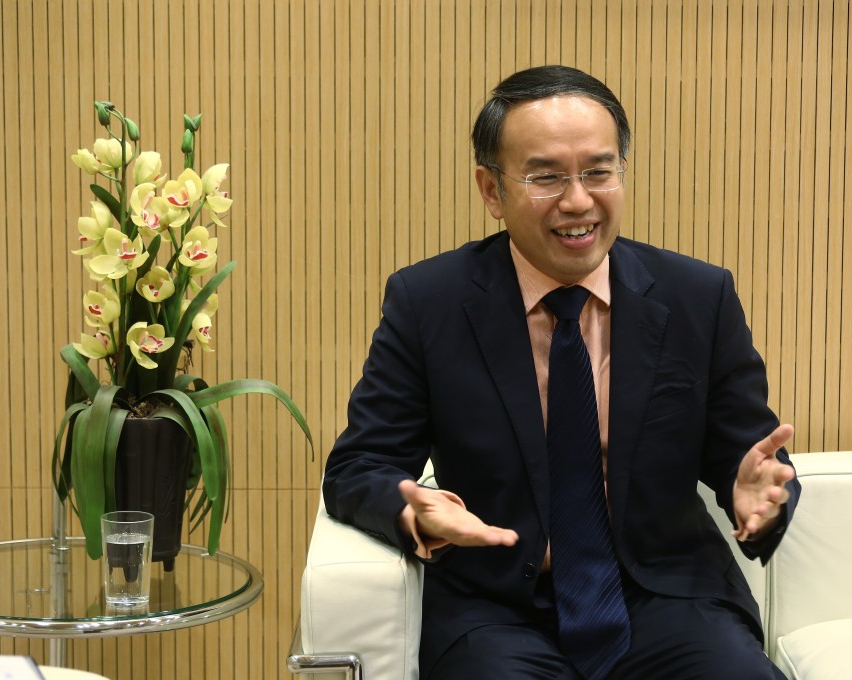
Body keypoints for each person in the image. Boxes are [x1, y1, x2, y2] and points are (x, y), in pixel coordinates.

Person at [323, 64, 800, 680]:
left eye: (599, 171)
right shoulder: (428, 302)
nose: (579, 201)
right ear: (491, 191)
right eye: (546, 177)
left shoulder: (696, 296)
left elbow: (747, 453)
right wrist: (416, 511)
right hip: (497, 608)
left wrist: (758, 489)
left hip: (666, 598)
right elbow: (359, 465)